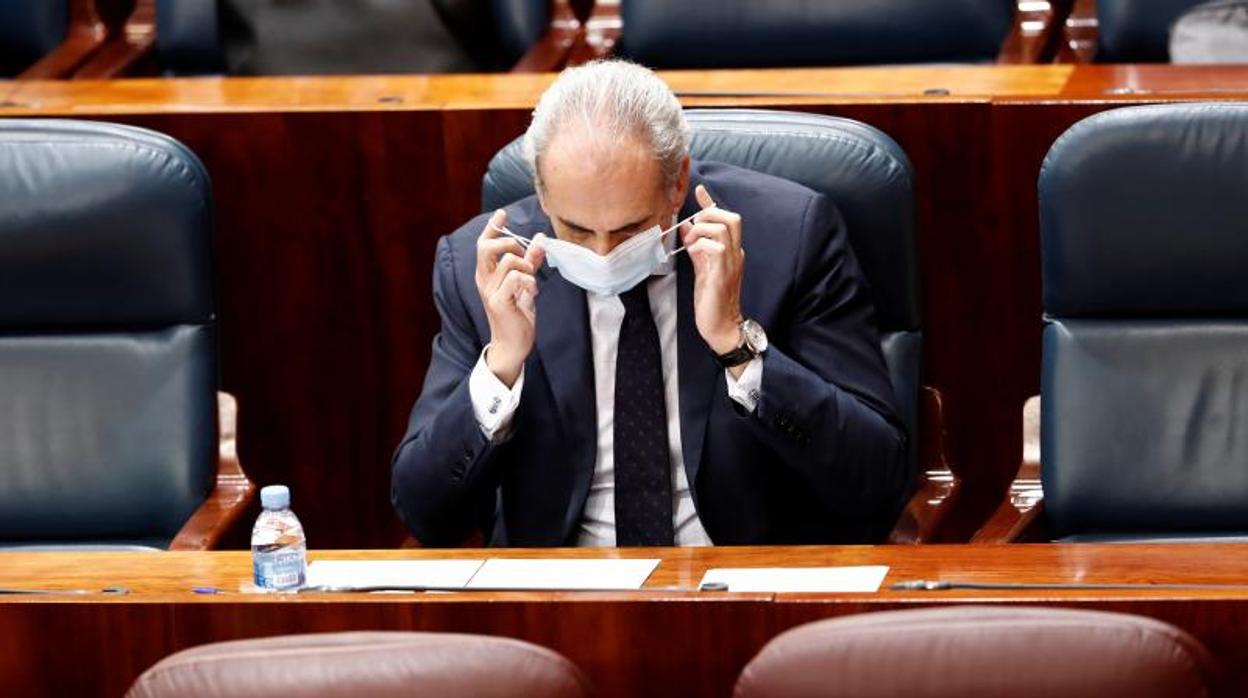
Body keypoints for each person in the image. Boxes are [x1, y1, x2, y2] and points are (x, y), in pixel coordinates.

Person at [392, 60, 908, 547]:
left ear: (677, 182)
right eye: (576, 229)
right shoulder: (483, 267)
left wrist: (737, 346)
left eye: (629, 229)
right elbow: (426, 515)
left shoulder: (788, 237)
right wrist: (501, 366)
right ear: (542, 193)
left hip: (740, 578)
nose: (602, 252)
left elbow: (877, 480)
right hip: (562, 586)